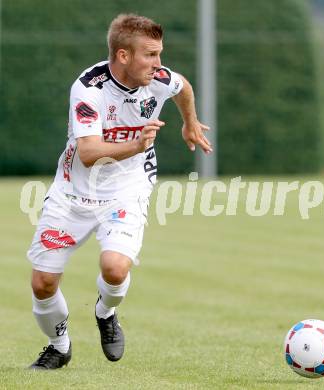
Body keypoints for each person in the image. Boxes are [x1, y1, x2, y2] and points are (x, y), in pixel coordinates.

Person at [26, 13, 212, 369]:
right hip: (73, 191)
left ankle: (106, 312)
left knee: (114, 267)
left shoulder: (159, 78)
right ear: (124, 55)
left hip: (128, 187)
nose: (159, 64)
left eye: (159, 54)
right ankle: (58, 346)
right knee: (43, 282)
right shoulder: (88, 89)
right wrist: (137, 146)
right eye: (150, 55)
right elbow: (89, 152)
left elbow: (183, 86)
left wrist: (189, 122)